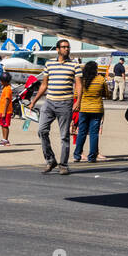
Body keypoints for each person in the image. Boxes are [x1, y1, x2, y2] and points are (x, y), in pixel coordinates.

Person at [33, 39, 79, 173]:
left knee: (64, 135)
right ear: (58, 49)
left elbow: (79, 85)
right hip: (49, 102)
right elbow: (44, 84)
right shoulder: (49, 64)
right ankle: (50, 160)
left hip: (65, 103)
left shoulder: (74, 65)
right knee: (41, 131)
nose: (66, 49)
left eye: (68, 47)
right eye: (64, 47)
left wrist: (78, 101)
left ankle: (63, 165)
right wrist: (34, 101)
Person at [73, 61, 107, 163]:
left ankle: (77, 154)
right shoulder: (101, 79)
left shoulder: (82, 80)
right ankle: (92, 156)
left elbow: (75, 94)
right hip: (97, 109)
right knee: (93, 134)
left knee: (81, 132)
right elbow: (107, 93)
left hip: (83, 109)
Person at [0, 72, 13, 146]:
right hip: (2, 110)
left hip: (6, 111)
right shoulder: (5, 88)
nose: (0, 82)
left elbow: (7, 101)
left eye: (1, 81)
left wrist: (4, 112)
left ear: (4, 81)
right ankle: (3, 139)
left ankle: (6, 140)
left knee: (5, 125)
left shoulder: (7, 89)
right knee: (2, 125)